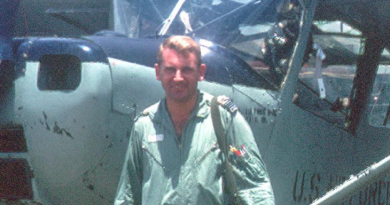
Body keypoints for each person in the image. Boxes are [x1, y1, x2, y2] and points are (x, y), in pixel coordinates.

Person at [114, 35, 275, 205]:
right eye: (170, 69)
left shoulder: (223, 120)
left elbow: (254, 187)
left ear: (201, 72)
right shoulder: (144, 126)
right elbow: (127, 196)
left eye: (187, 70)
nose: (178, 77)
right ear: (157, 72)